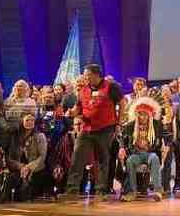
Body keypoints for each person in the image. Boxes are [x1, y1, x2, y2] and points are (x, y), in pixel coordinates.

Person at [65, 64, 124, 200]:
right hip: (86, 129)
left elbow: (122, 103)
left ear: (97, 75)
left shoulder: (111, 86)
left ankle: (101, 190)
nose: (86, 78)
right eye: (85, 76)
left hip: (105, 129)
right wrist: (71, 112)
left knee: (103, 160)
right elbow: (78, 108)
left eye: (88, 75)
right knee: (77, 157)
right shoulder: (83, 90)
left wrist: (118, 122)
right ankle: (72, 190)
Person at [119, 97, 170, 202]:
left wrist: (167, 145)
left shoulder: (157, 125)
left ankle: (157, 191)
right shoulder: (130, 126)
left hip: (150, 153)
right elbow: (122, 138)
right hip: (136, 153)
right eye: (140, 114)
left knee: (155, 158)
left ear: (150, 115)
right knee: (130, 161)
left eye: (145, 114)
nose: (142, 117)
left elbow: (168, 135)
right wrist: (121, 148)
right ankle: (132, 191)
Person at [6, 113, 49, 201]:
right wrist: (20, 166)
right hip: (19, 168)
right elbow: (9, 158)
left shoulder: (40, 136)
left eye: (32, 120)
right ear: (22, 121)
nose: (30, 122)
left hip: (36, 170)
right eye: (27, 120)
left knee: (31, 182)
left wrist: (28, 167)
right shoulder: (15, 138)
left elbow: (42, 157)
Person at [3, 80, 37, 149]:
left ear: (26, 89)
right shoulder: (7, 101)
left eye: (21, 86)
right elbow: (5, 115)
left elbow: (33, 116)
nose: (19, 88)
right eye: (17, 86)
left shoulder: (31, 102)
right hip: (9, 132)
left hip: (25, 132)